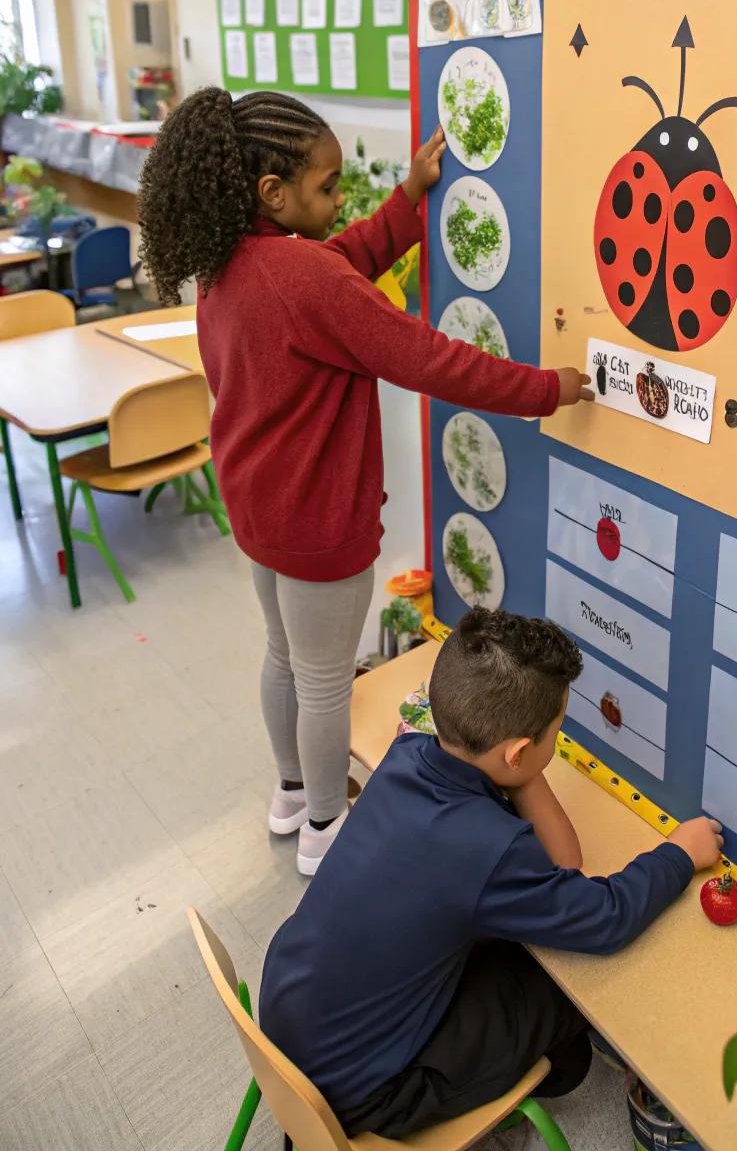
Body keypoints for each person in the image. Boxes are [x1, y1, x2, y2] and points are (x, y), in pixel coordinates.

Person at [137, 89, 591, 875]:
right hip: (316, 523)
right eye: (325, 185)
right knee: (323, 684)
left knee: (284, 657)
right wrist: (546, 390)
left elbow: (342, 259)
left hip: (258, 510)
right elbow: (431, 360)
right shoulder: (305, 278)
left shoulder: (230, 261)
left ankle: (288, 796)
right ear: (271, 193)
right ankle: (322, 825)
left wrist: (409, 197)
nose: (338, 196)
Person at [259, 608, 724, 1137]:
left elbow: (560, 863)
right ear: (520, 751)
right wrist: (680, 854)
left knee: (503, 938)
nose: (556, 743)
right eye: (556, 733)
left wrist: (520, 773)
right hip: (365, 1093)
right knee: (560, 992)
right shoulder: (489, 847)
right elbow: (605, 918)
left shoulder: (408, 752)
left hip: (286, 1015)